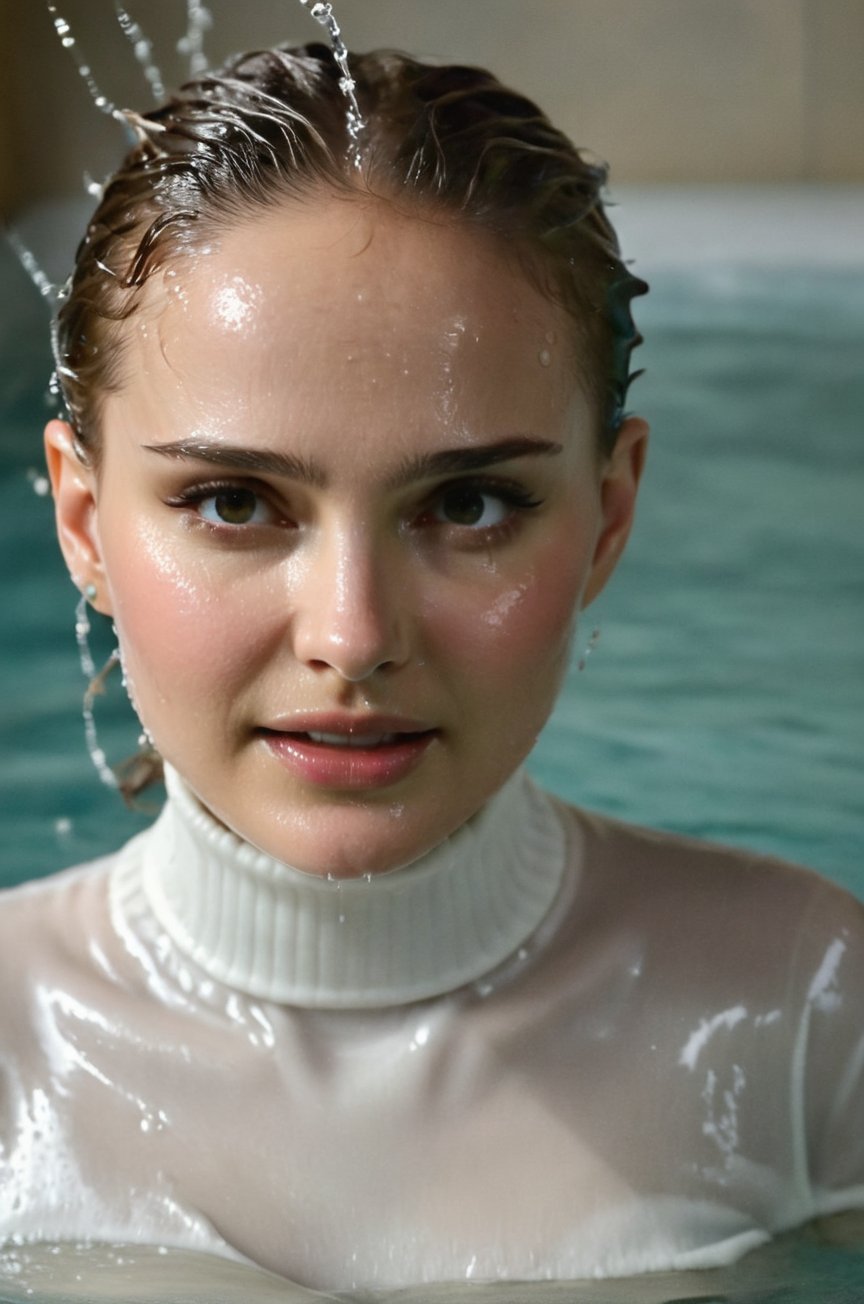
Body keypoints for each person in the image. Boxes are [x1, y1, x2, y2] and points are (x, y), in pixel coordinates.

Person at [0, 42, 862, 1293]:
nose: (352, 634)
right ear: (82, 521)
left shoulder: (799, 1014)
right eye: (235, 500)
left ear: (610, 515)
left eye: (468, 501)